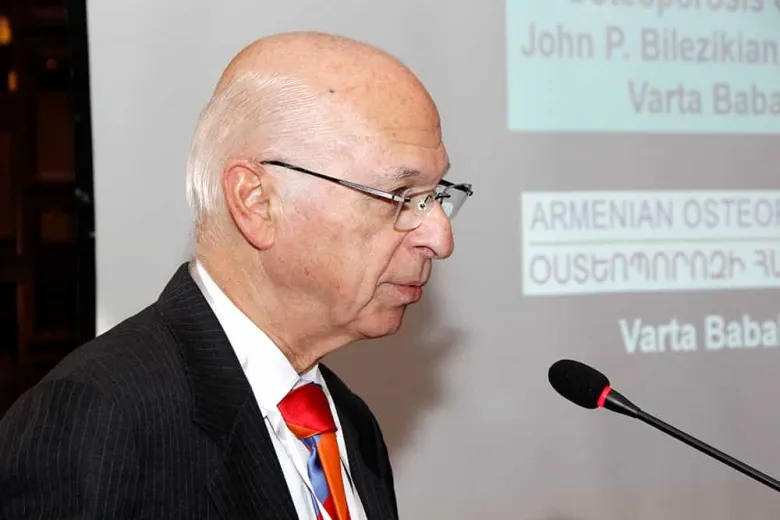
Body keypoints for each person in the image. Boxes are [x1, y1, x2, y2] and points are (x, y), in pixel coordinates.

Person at [0, 31, 473, 519]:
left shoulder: (348, 423)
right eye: (402, 196)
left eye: (438, 196)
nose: (441, 238)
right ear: (256, 201)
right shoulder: (99, 419)